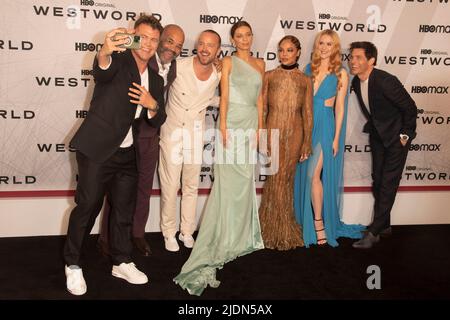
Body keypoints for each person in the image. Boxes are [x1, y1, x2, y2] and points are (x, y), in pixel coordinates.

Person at [63, 14, 165, 295]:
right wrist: (106, 48)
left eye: (154, 39)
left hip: (127, 154)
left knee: (123, 211)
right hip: (97, 150)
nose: (148, 44)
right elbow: (102, 68)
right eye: (143, 37)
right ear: (133, 36)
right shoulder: (119, 61)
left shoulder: (156, 79)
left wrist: (151, 102)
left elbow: (158, 117)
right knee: (87, 209)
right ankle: (72, 264)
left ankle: (121, 261)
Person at [174, 21, 265, 296]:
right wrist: (223, 126)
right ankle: (222, 236)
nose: (245, 39)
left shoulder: (260, 64)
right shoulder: (226, 62)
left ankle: (240, 234)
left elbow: (261, 99)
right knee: (226, 182)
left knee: (243, 182)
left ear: (252, 37)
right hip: (232, 122)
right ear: (233, 39)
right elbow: (223, 97)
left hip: (250, 121)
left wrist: (260, 129)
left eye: (248, 34)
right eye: (239, 35)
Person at [98, 24, 185, 257]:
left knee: (144, 189)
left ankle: (137, 234)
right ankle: (106, 237)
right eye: (169, 42)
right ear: (159, 40)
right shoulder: (137, 57)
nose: (173, 48)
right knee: (116, 191)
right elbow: (112, 59)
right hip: (126, 135)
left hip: (150, 136)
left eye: (178, 46)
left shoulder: (175, 66)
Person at [293, 29, 364, 248]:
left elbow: (340, 108)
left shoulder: (341, 73)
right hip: (306, 125)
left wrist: (335, 139)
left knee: (314, 175)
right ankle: (303, 220)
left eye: (329, 44)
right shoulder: (307, 69)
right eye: (321, 43)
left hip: (325, 125)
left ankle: (318, 222)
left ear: (335, 48)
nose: (324, 47)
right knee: (305, 174)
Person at [349, 41, 417, 249]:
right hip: (378, 136)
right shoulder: (355, 81)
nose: (353, 61)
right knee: (378, 180)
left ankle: (374, 231)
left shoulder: (386, 81)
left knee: (387, 182)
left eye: (358, 57)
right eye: (351, 57)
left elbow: (410, 107)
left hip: (397, 139)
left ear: (371, 60)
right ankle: (384, 225)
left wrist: (405, 135)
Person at [158, 30, 222, 252]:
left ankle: (187, 230)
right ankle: (168, 232)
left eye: (210, 45)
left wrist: (221, 102)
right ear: (196, 46)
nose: (205, 48)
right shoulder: (179, 65)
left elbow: (208, 97)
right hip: (172, 132)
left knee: (191, 186)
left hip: (195, 134)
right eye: (201, 43)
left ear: (218, 50)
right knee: (170, 186)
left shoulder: (219, 73)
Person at [258, 35, 313, 250]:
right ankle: (268, 228)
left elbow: (308, 113)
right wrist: (262, 136)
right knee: (274, 179)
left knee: (286, 180)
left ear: (298, 52)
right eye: (281, 50)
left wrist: (307, 141)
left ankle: (284, 228)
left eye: (289, 50)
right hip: (272, 132)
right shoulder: (269, 76)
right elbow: (262, 109)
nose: (284, 54)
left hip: (295, 135)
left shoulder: (305, 80)